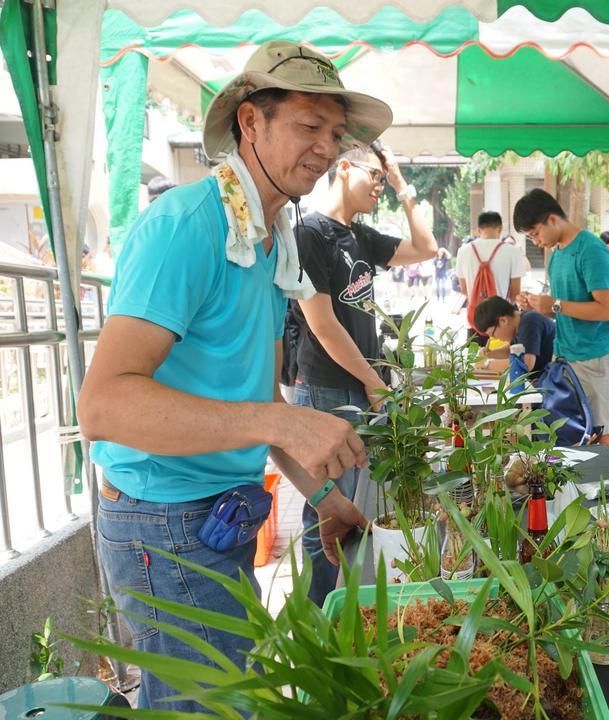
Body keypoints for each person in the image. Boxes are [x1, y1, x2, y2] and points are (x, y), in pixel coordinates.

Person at [76, 41, 389, 710]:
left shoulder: (270, 234)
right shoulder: (188, 226)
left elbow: (257, 397)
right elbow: (102, 406)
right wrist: (279, 420)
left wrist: (324, 496)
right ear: (251, 122)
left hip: (218, 514)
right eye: (309, 126)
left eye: (335, 133)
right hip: (163, 519)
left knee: (230, 699)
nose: (327, 148)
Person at [292, 140, 437, 606]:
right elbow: (322, 322)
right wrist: (377, 384)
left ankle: (339, 611)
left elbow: (426, 248)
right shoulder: (310, 233)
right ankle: (318, 622)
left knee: (349, 509)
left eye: (382, 179)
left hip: (361, 390)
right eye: (374, 176)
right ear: (344, 168)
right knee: (325, 513)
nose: (378, 185)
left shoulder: (360, 236)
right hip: (326, 390)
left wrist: (402, 186)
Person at [513, 189, 609, 462]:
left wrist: (554, 305)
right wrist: (537, 306)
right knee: (577, 434)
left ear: (552, 219)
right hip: (566, 360)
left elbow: (606, 309)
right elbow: (567, 310)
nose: (536, 240)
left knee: (606, 435)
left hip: (595, 359)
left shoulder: (590, 249)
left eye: (534, 233)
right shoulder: (556, 255)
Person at [456, 211, 526, 340]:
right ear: (500, 229)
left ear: (478, 230)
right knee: (503, 359)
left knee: (476, 358)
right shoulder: (512, 251)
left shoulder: (463, 251)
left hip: (475, 319)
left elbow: (464, 289)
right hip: (502, 323)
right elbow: (515, 293)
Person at [472, 295, 556, 377]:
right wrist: (489, 354)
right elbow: (512, 350)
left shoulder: (529, 322)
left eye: (492, 334)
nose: (494, 338)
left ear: (503, 321)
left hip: (550, 382)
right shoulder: (520, 322)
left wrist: (487, 364)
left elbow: (525, 364)